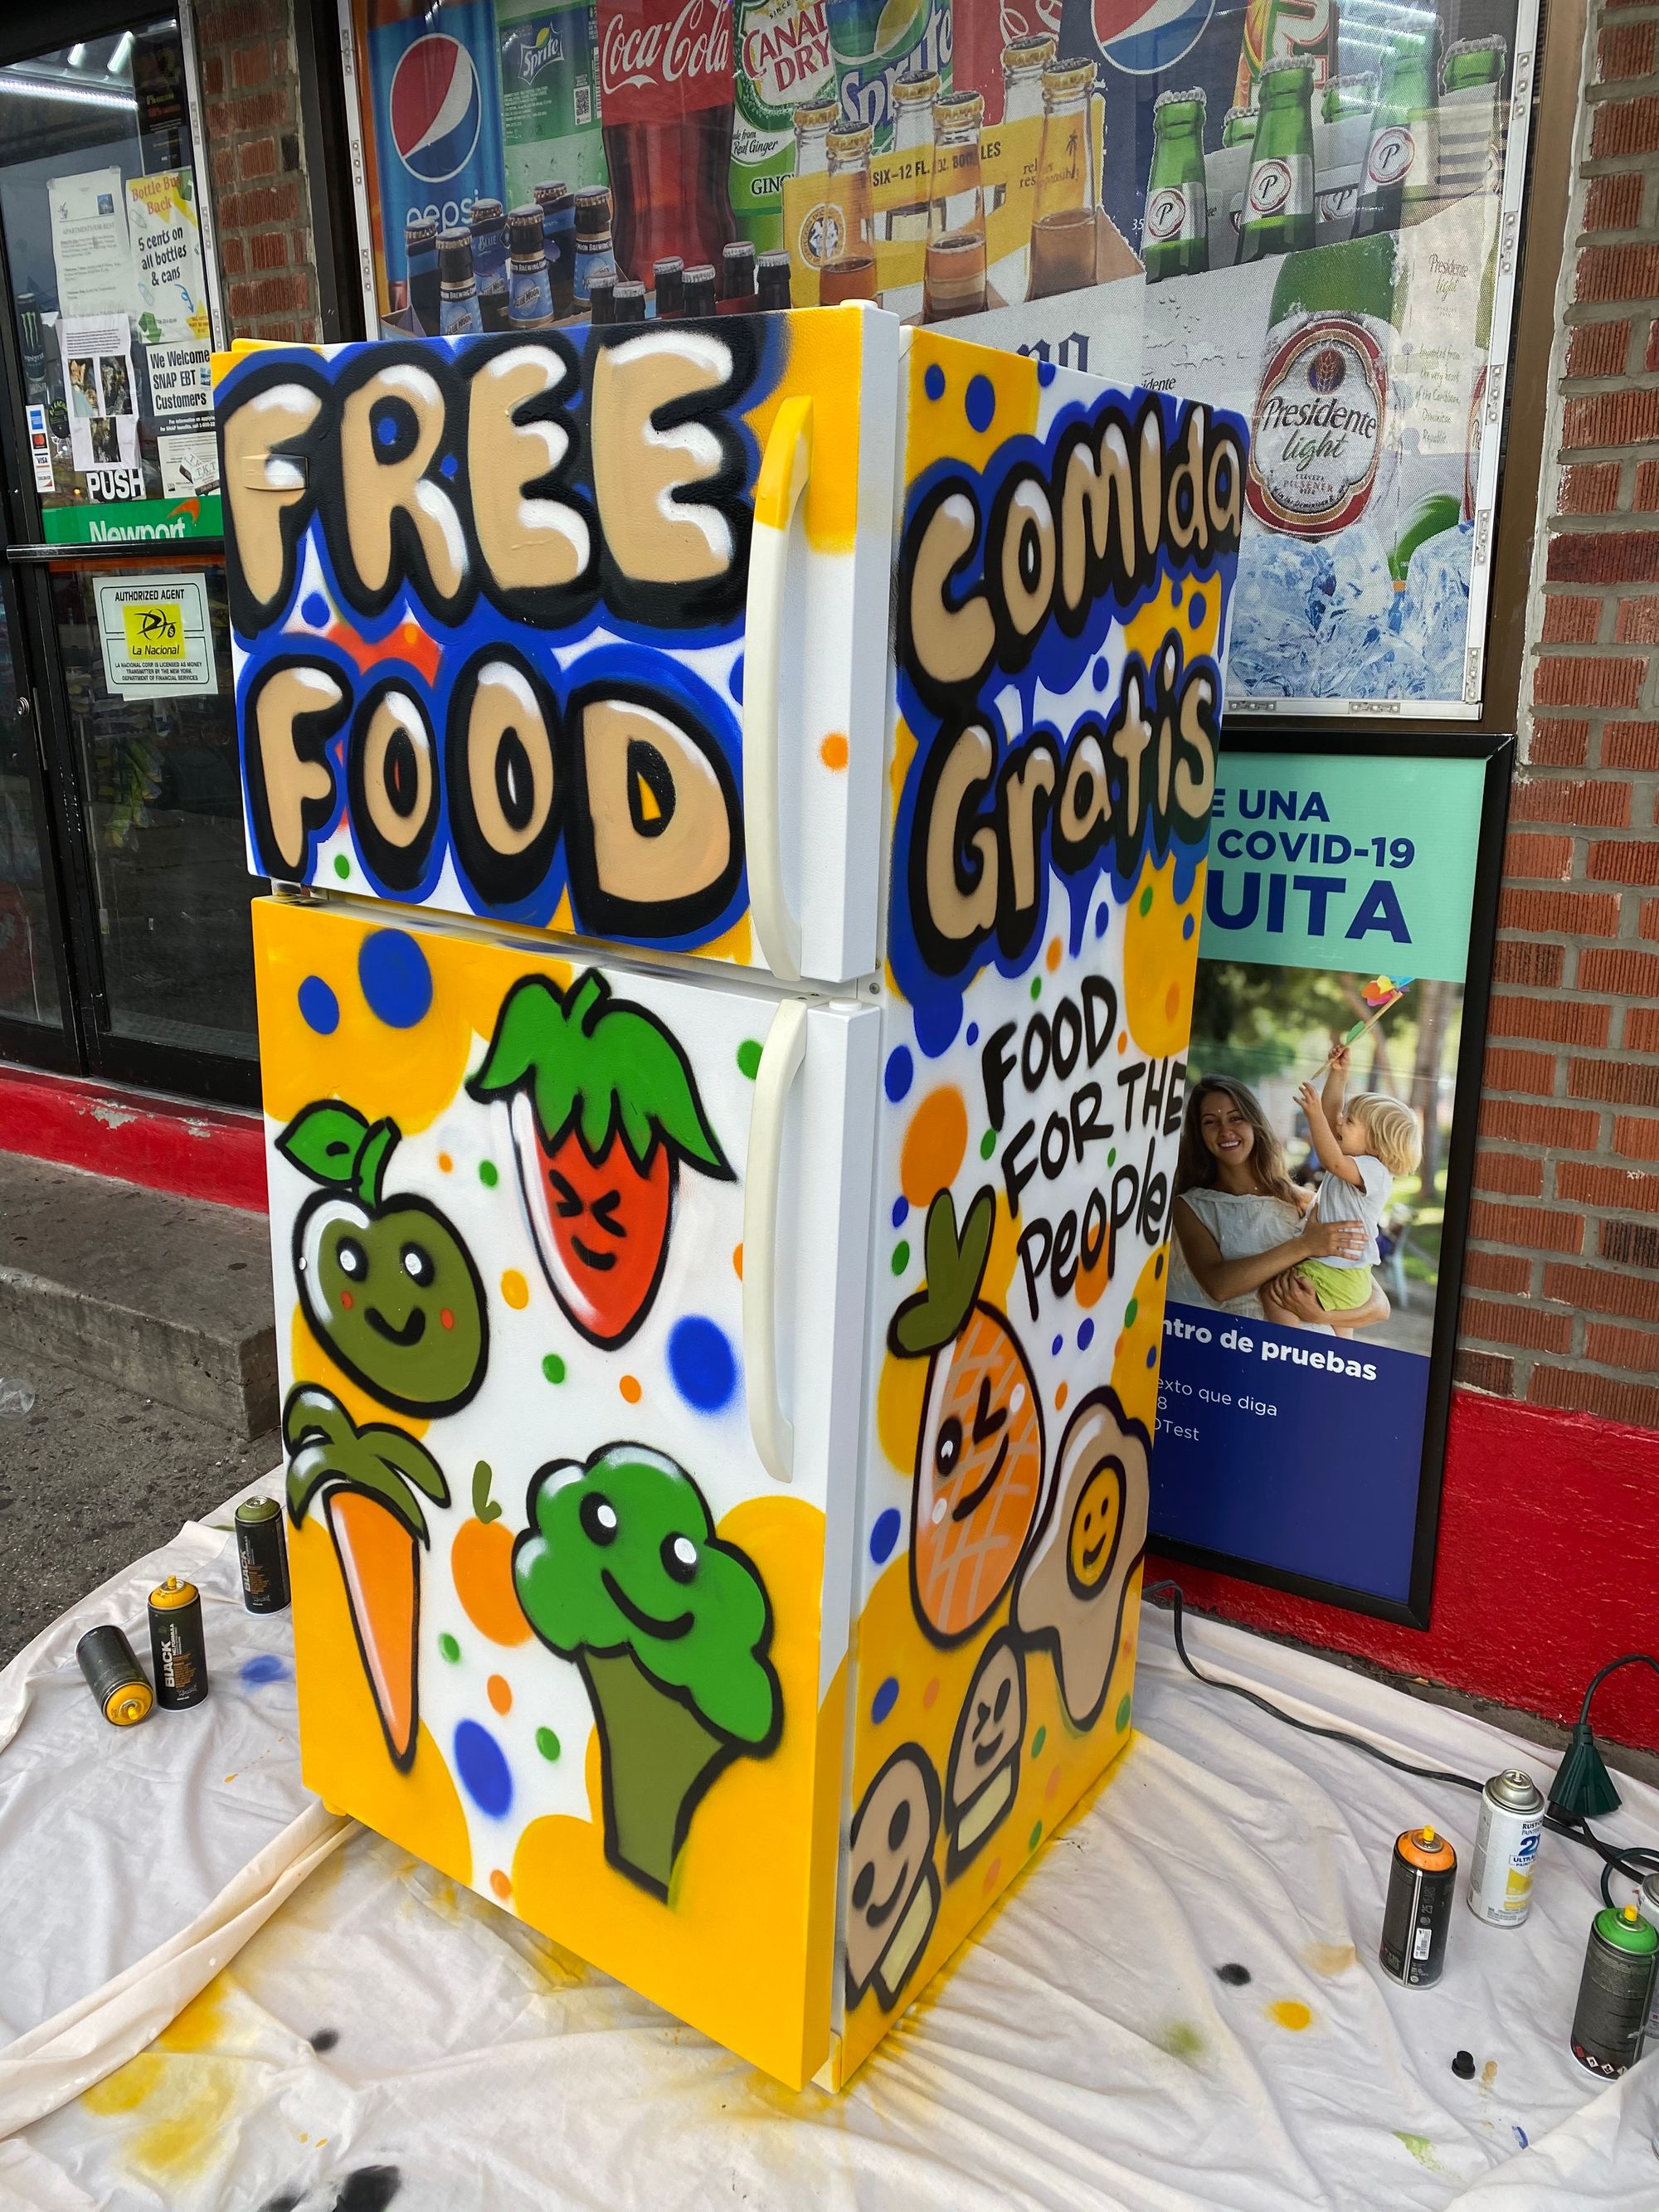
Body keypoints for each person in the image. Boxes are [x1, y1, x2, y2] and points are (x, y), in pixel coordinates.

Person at [1169, 1073, 1390, 1333]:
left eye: (1236, 1117)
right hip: (1242, 1351)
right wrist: (1305, 1245)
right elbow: (1219, 1285)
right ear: (1199, 1134)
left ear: (1254, 1122)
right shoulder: (1192, 1206)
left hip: (1316, 1359)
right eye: (1210, 1122)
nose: (1225, 1130)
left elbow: (1379, 1305)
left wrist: (1319, 1314)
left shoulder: (1304, 1202)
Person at [1262, 1047, 1421, 1327]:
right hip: (1346, 1272)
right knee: (1340, 1335)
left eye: (1349, 1121)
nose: (1338, 1121)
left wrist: (1313, 1117)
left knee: (1274, 1294)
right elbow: (1331, 1114)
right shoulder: (1359, 1162)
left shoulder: (1373, 1170)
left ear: (1374, 1144)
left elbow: (1330, 1159)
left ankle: (1288, 1347)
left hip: (1336, 1270)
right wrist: (1339, 1075)